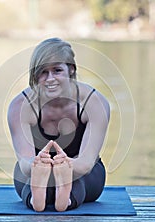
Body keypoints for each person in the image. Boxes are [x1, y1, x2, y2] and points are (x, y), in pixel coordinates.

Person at [8, 38, 110, 212]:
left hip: (83, 171)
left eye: (57, 70)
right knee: (27, 178)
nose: (50, 79)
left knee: (78, 180)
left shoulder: (94, 102)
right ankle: (36, 197)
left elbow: (86, 163)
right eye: (43, 72)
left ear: (71, 69)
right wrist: (39, 165)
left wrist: (64, 167)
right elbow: (25, 163)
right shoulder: (20, 106)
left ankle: (65, 198)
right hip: (35, 170)